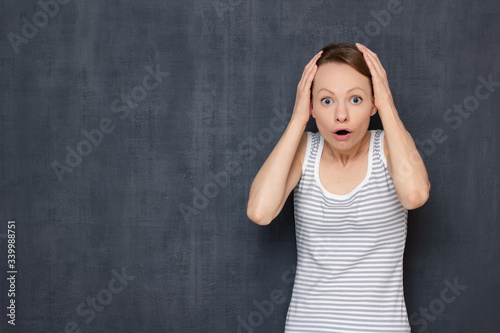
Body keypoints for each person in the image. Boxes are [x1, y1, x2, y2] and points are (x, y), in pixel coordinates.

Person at [246, 42, 430, 332]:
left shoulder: (389, 147)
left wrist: (388, 104)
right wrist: (297, 120)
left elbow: (415, 195)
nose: (341, 115)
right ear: (312, 107)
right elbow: (260, 211)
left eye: (356, 99)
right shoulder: (305, 150)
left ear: (373, 104)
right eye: (327, 101)